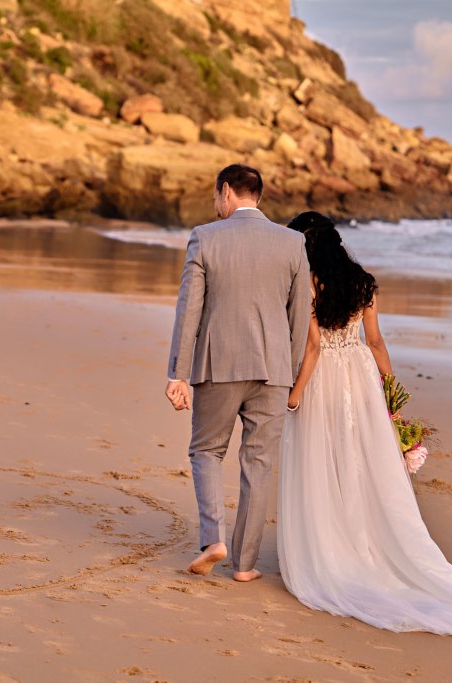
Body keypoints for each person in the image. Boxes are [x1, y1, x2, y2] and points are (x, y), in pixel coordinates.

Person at [277, 211, 452, 641]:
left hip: (323, 378)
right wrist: (389, 395)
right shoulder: (364, 283)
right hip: (359, 375)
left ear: (306, 245)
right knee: (360, 458)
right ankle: (364, 542)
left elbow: (314, 347)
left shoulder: (306, 284)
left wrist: (295, 392)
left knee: (324, 458)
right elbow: (375, 341)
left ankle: (335, 544)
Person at [165, 164, 311, 582]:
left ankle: (214, 539)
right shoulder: (293, 242)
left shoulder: (205, 237)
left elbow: (188, 309)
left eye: (216, 195)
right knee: (258, 463)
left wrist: (177, 373)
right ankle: (245, 566)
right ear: (258, 196)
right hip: (275, 369)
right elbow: (299, 316)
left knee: (207, 450)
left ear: (226, 191)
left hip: (219, 363)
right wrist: (292, 371)